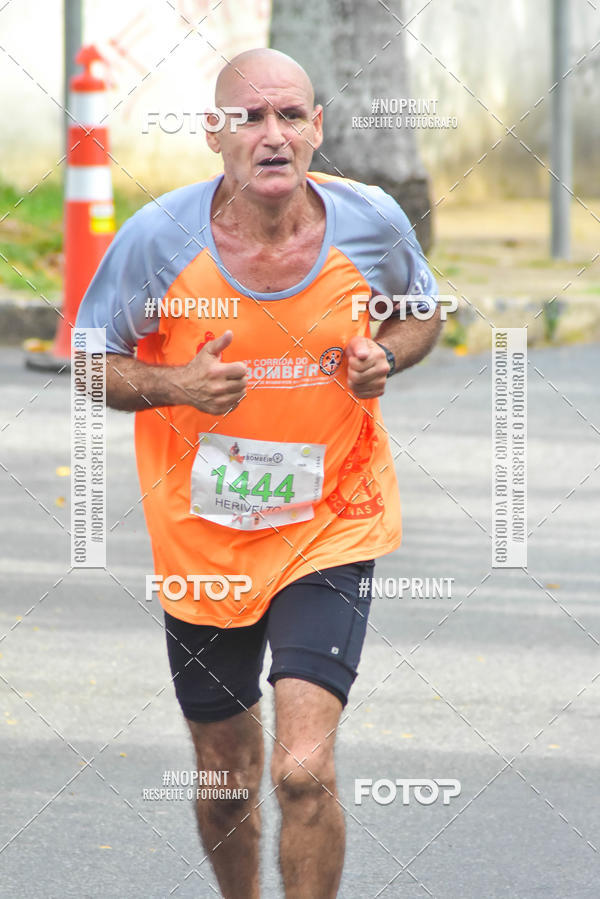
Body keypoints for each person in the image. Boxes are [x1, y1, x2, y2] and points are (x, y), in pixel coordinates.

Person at [77, 47, 441, 899]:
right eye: (249, 117)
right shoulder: (159, 241)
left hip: (330, 521)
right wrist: (176, 385)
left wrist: (382, 357)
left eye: (289, 116)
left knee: (303, 769)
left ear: (317, 130)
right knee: (226, 775)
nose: (270, 134)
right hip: (201, 538)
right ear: (215, 134)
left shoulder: (373, 223)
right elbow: (92, 362)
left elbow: (421, 312)